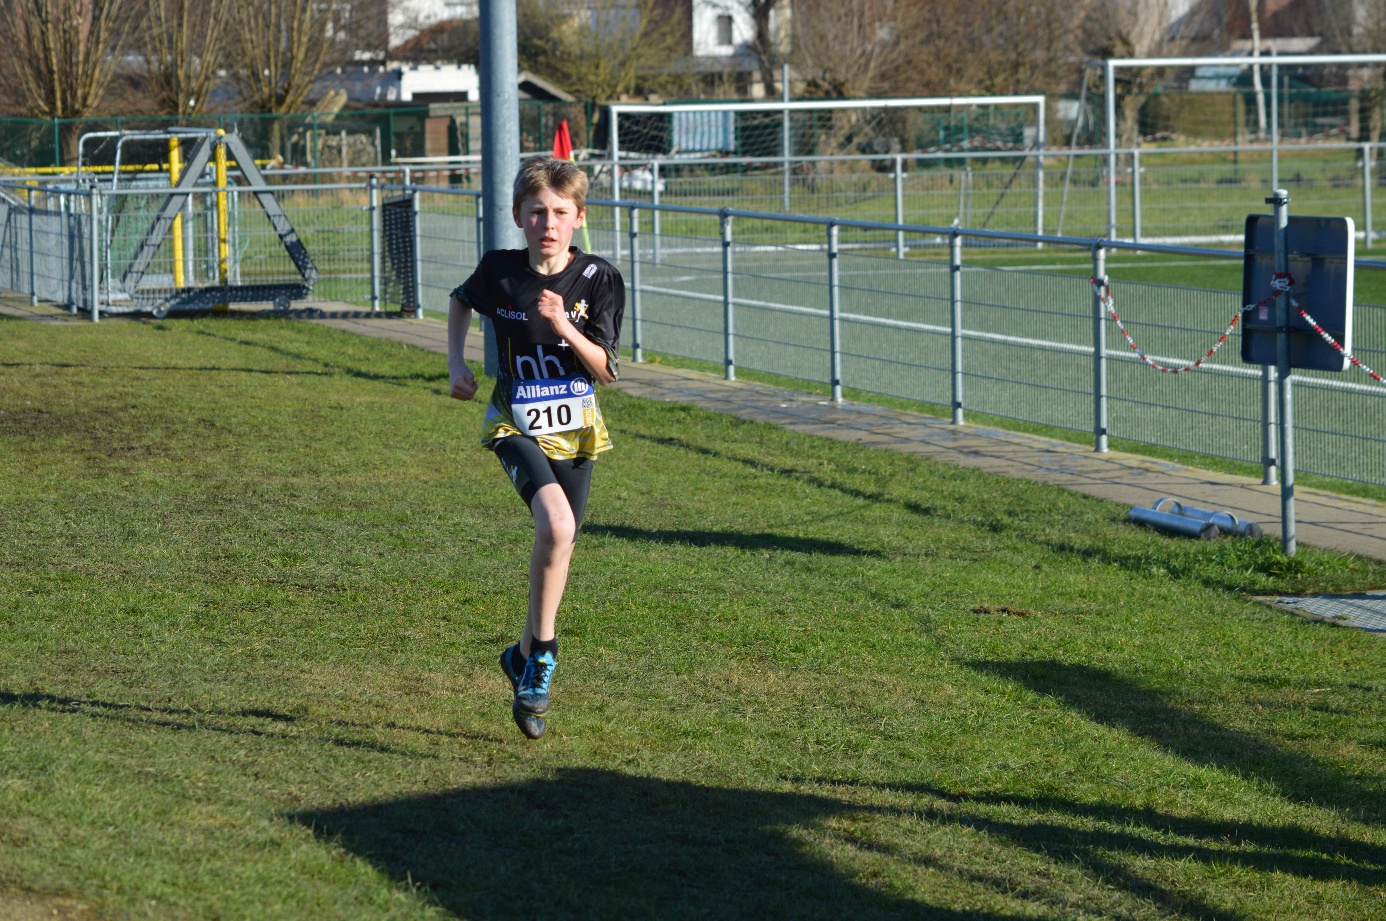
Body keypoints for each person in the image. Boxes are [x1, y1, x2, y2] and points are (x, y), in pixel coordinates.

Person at [447, 155, 624, 740]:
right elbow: (460, 299)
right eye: (537, 212)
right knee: (555, 525)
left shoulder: (599, 278)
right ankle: (544, 656)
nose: (548, 223)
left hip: (576, 430)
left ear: (578, 219)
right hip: (516, 422)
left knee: (562, 541)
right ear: (518, 216)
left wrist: (564, 324)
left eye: (560, 213)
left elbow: (606, 370)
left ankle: (521, 657)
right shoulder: (500, 271)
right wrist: (457, 363)